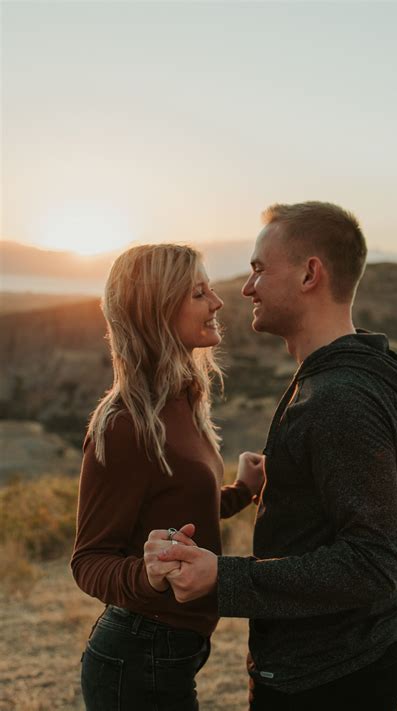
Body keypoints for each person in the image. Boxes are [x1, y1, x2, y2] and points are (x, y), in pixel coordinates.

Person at [152, 202, 397, 711]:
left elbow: (375, 563)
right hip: (359, 654)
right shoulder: (374, 374)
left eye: (259, 269)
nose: (246, 288)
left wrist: (222, 576)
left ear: (309, 274)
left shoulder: (340, 398)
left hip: (325, 677)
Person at [71, 243, 264, 711]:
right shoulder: (124, 424)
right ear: (157, 310)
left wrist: (241, 491)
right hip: (138, 655)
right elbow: (89, 559)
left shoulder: (180, 399)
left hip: (172, 650)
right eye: (200, 293)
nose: (218, 303)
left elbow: (176, 511)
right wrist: (149, 576)